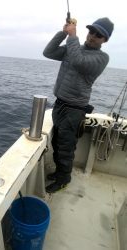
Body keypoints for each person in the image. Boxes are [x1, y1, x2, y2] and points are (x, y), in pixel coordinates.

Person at [43, 17, 114, 193]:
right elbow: (48, 52)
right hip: (60, 104)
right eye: (91, 31)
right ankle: (60, 172)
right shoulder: (74, 48)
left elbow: (78, 61)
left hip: (74, 109)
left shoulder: (101, 58)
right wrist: (63, 32)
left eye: (99, 35)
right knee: (57, 141)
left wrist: (72, 36)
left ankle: (63, 179)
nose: (93, 36)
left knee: (66, 147)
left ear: (105, 40)